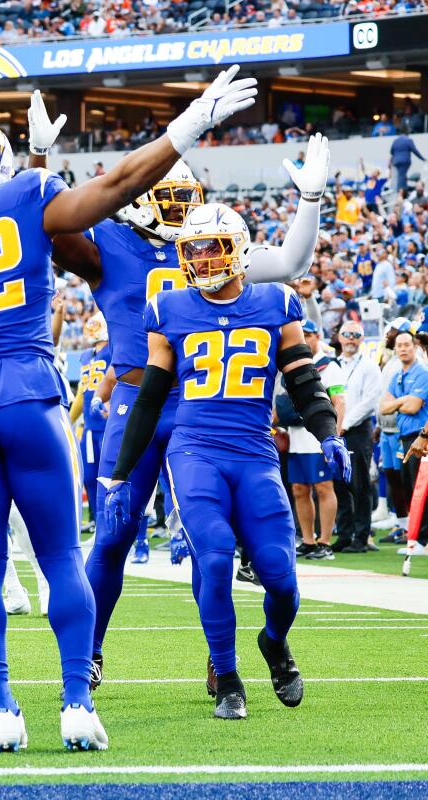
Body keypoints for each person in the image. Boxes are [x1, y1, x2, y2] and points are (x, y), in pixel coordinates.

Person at [0, 68, 260, 751]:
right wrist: (188, 125)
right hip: (27, 393)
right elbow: (107, 194)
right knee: (58, 557)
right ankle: (76, 701)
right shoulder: (28, 192)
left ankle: (0, 711)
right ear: (5, 164)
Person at [34, 109, 329, 689]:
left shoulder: (214, 245)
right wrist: (41, 161)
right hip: (138, 399)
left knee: (207, 541)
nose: (184, 213)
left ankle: (221, 664)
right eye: (169, 199)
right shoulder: (110, 242)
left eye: (187, 198)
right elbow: (49, 232)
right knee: (116, 530)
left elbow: (291, 263)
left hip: (207, 411)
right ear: (140, 199)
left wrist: (312, 199)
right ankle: (89, 651)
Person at [105, 202, 349, 720]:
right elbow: (149, 398)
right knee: (213, 556)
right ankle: (228, 677)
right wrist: (120, 475)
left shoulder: (276, 301)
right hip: (195, 449)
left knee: (281, 576)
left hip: (255, 452)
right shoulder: (169, 307)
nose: (198, 258)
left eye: (208, 246)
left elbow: (303, 378)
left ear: (236, 247)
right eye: (190, 248)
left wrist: (329, 432)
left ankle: (274, 643)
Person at [286, 320, 346, 560]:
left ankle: (325, 541)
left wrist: (334, 435)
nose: (305, 339)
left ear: (316, 336)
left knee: (324, 487)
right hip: (295, 435)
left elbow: (339, 402)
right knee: (300, 489)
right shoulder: (289, 363)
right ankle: (308, 540)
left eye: (308, 335)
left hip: (317, 436)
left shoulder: (329, 366)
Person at [334, 320, 383, 552]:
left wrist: (345, 423)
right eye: (347, 334)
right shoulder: (335, 364)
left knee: (359, 484)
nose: (351, 338)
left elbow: (369, 401)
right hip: (335, 430)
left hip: (357, 430)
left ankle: (361, 536)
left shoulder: (369, 366)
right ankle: (344, 534)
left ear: (362, 339)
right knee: (339, 484)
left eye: (356, 334)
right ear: (340, 338)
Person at [380, 331, 428, 546]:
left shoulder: (422, 372)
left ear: (415, 347)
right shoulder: (397, 374)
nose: (403, 348)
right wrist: (404, 400)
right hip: (404, 436)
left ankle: (422, 539)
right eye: (399, 345)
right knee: (409, 487)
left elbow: (414, 406)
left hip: (421, 436)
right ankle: (416, 536)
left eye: (407, 344)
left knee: (421, 489)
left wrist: (400, 402)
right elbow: (384, 408)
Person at [72, 314, 110, 531]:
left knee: (110, 477)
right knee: (90, 477)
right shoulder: (86, 355)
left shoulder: (113, 351)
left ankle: (120, 529)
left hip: (108, 425)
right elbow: (80, 394)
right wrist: (68, 421)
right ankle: (99, 524)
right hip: (89, 427)